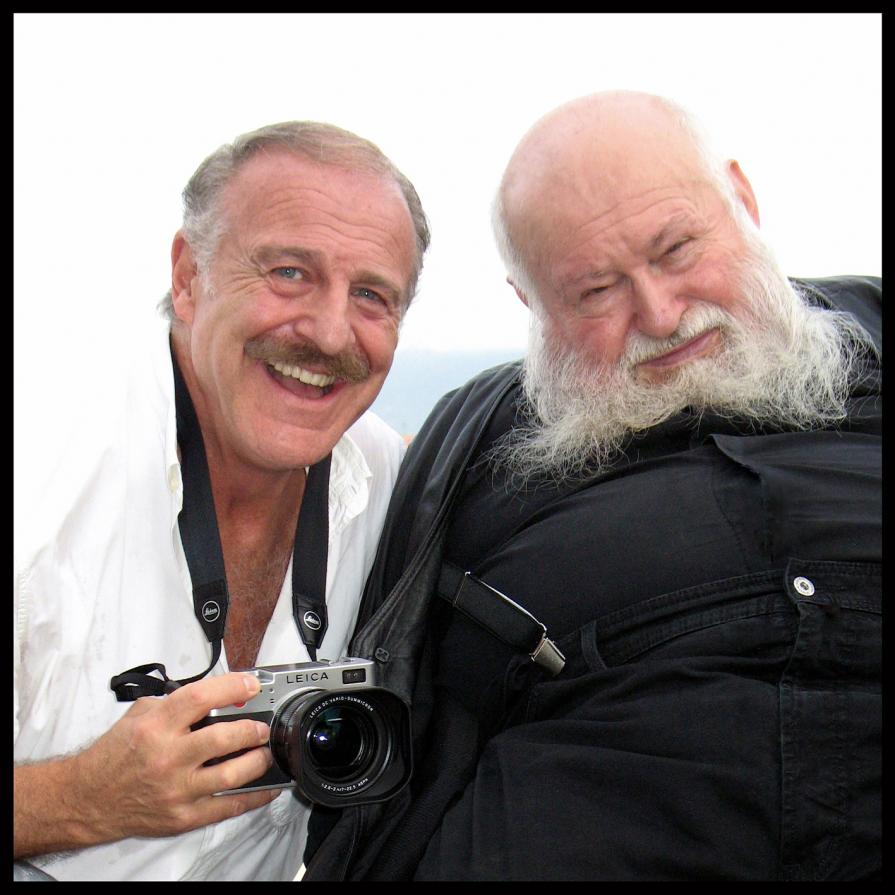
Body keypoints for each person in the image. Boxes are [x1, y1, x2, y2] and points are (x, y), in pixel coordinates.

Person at [302, 91, 881, 881]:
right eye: (595, 291)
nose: (659, 311)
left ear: (741, 201)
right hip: (599, 782)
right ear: (529, 304)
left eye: (676, 249)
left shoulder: (870, 334)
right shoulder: (476, 444)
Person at [13, 121, 430, 881]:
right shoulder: (37, 465)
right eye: (288, 273)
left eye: (371, 294)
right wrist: (77, 799)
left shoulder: (389, 484)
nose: (330, 330)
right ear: (187, 276)